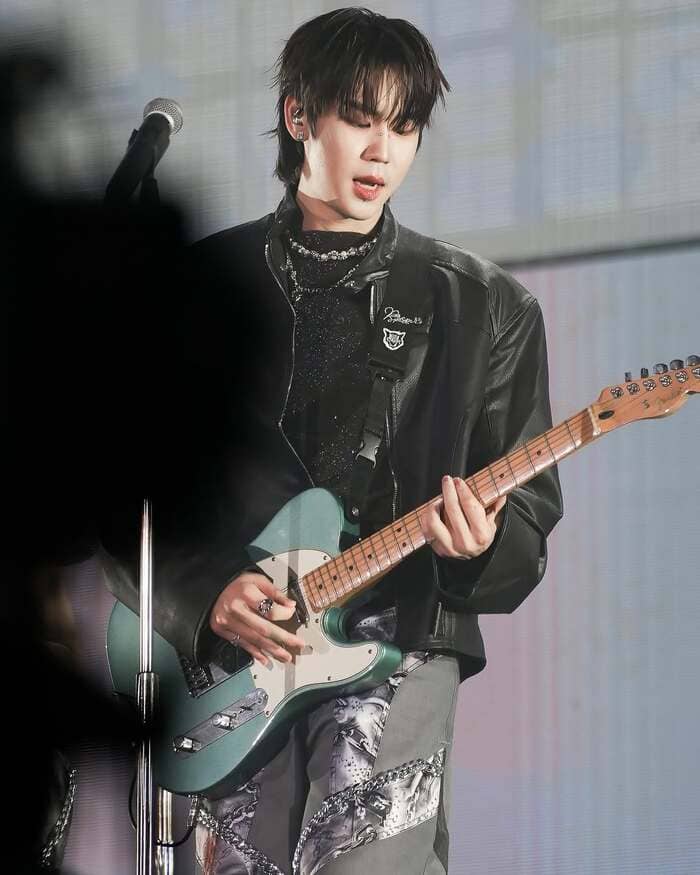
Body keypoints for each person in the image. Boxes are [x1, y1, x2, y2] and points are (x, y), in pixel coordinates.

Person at [101, 7, 562, 874]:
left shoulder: (486, 307)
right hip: (242, 666)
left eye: (405, 126)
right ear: (298, 116)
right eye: (359, 118)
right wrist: (203, 594)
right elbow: (121, 483)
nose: (383, 150)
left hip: (398, 643)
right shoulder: (199, 288)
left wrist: (481, 545)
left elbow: (526, 531)